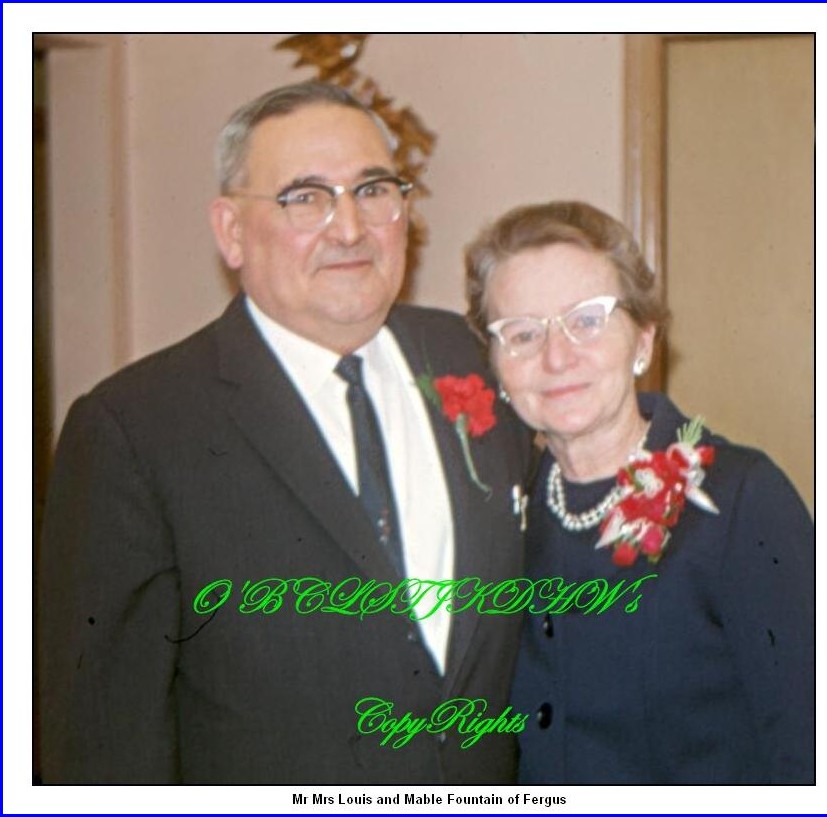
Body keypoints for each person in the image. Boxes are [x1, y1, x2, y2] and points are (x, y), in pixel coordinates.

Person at [38, 82, 531, 784]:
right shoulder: (134, 430)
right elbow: (101, 746)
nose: (350, 228)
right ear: (231, 232)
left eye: (372, 190)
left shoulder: (477, 358)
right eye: (306, 197)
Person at [464, 200, 814, 784]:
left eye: (587, 321)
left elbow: (812, 750)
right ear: (496, 365)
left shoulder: (742, 501)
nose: (557, 357)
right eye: (522, 333)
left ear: (644, 341)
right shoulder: (499, 510)